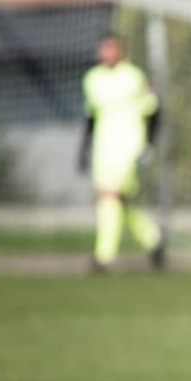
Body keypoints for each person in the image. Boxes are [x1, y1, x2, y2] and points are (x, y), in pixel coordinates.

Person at [78, 33, 165, 272]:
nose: (107, 53)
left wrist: (149, 144)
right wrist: (83, 148)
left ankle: (104, 256)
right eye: (103, 49)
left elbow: (154, 110)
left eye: (111, 48)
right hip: (103, 149)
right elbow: (91, 118)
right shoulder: (92, 79)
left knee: (111, 195)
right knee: (116, 200)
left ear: (120, 50)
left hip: (129, 148)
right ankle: (153, 238)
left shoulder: (134, 76)